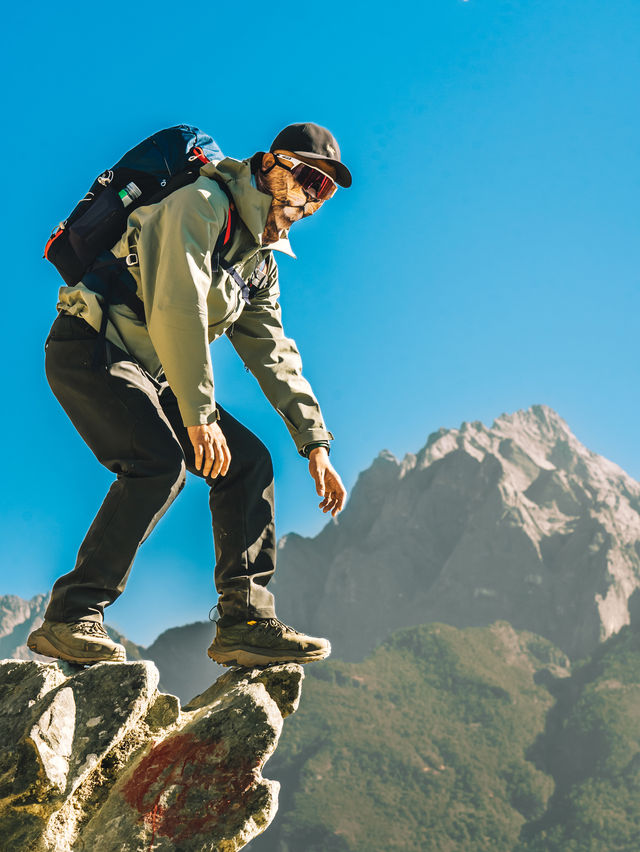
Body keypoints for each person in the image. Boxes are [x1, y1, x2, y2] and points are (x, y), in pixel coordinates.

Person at [28, 122, 350, 668]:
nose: (307, 197)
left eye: (322, 190)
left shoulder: (259, 262)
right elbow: (178, 307)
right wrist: (200, 416)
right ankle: (71, 616)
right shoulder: (200, 205)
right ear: (270, 165)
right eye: (303, 177)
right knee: (158, 463)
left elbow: (273, 352)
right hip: (92, 347)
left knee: (248, 463)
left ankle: (246, 621)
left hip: (156, 373)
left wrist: (315, 443)